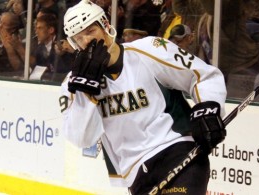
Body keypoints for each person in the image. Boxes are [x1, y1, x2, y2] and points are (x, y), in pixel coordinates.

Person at [60, 1, 227, 195]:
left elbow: (203, 75)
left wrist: (208, 106)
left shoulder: (149, 49)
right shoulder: (72, 85)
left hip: (179, 151)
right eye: (79, 38)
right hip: (136, 174)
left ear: (105, 25)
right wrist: (86, 94)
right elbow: (82, 138)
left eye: (90, 31)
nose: (86, 41)